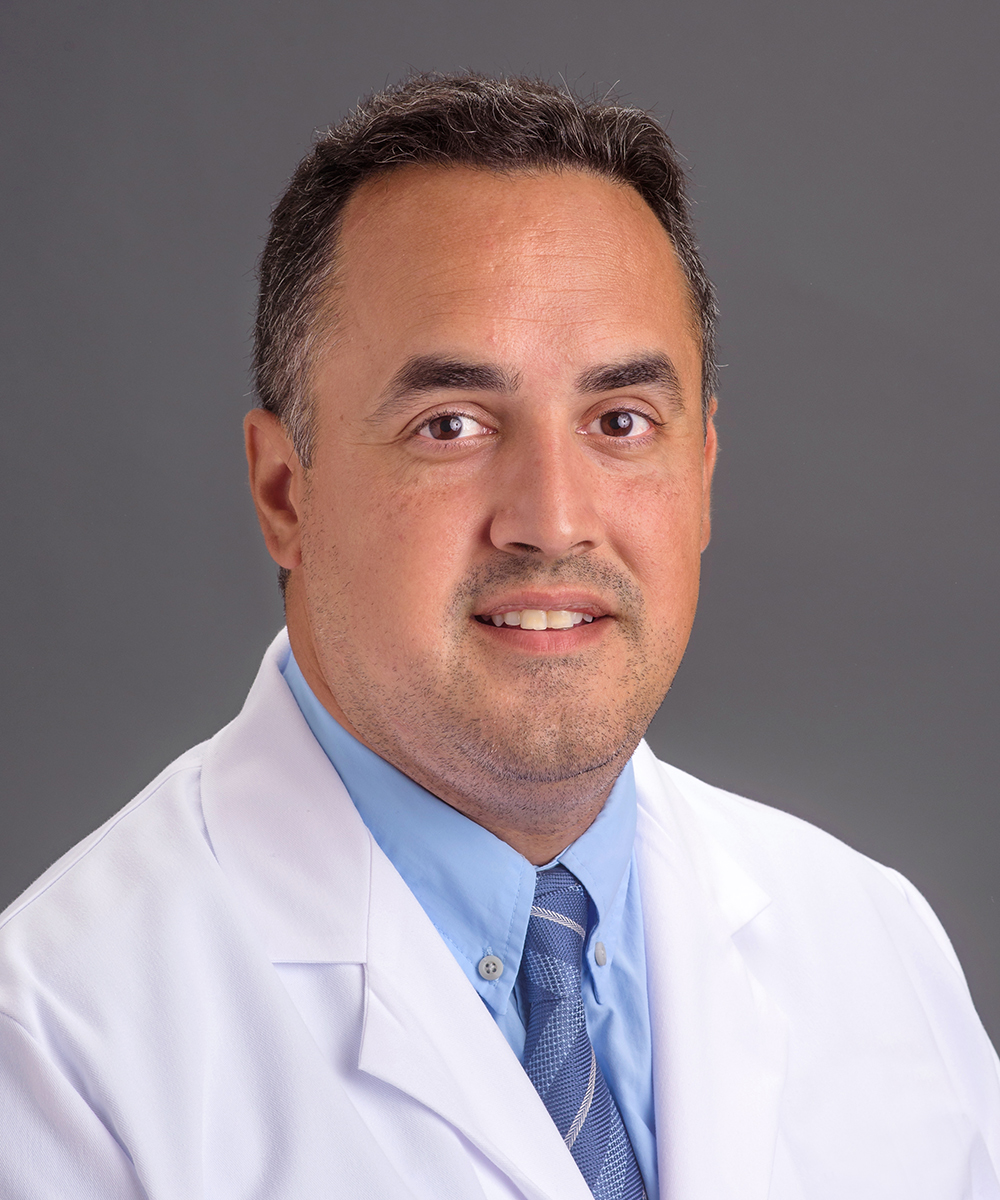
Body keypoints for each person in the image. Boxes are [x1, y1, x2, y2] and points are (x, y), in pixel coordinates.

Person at [0, 72, 997, 1200]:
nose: (552, 519)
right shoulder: (57, 1054)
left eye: (621, 421)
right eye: (452, 425)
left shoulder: (874, 947)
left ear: (703, 473)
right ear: (284, 492)